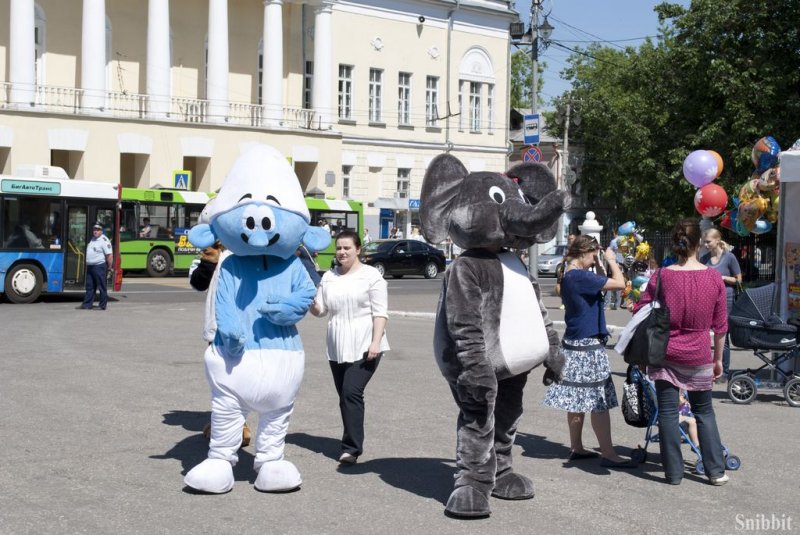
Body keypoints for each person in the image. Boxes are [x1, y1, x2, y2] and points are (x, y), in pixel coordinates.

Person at [634, 218, 728, 486]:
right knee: (704, 412)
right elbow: (721, 326)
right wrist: (718, 359)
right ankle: (715, 471)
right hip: (699, 353)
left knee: (667, 412)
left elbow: (640, 308)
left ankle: (673, 474)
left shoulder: (662, 275)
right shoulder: (713, 278)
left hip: (665, 351)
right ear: (699, 243)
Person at [543, 235, 634, 468]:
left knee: (576, 399)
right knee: (598, 401)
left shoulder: (569, 274)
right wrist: (612, 260)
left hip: (573, 343)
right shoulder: (581, 276)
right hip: (588, 346)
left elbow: (600, 283)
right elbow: (620, 283)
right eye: (593, 255)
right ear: (584, 252)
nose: (595, 260)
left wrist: (600, 266)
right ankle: (609, 453)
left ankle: (577, 447)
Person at [310, 230, 389, 465]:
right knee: (344, 396)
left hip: (366, 344)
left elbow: (380, 313)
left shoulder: (371, 276)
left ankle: (351, 449)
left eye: (347, 248)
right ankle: (350, 442)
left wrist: (375, 342)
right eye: (339, 248)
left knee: (351, 392)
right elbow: (321, 311)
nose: (342, 252)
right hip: (337, 345)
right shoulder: (329, 277)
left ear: (358, 250)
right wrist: (309, 302)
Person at [700, 228, 742, 381]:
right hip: (707, 299)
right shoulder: (704, 258)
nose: (706, 244)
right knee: (703, 333)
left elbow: (738, 280)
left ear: (717, 240)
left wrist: (722, 277)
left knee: (722, 334)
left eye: (708, 241)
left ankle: (724, 372)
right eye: (704, 242)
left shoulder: (729, 257)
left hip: (726, 299)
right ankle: (705, 368)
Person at [79, 223, 113, 310]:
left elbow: (109, 255)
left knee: (101, 286)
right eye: (94, 229)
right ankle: (87, 304)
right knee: (90, 286)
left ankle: (102, 305)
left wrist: (109, 267)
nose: (95, 231)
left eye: (98, 230)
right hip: (91, 267)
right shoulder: (93, 239)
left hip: (99, 266)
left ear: (101, 231)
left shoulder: (104, 240)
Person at [605, 231, 624, 310]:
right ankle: (617, 304)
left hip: (613, 264)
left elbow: (610, 251)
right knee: (619, 283)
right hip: (621, 264)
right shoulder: (624, 241)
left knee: (609, 283)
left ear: (615, 233)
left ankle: (607, 304)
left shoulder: (613, 241)